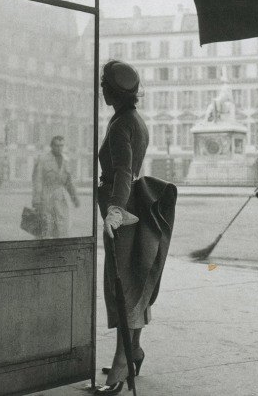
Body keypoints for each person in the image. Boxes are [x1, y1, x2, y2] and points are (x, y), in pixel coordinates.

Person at [97, 60, 177, 395]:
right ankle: (135, 352)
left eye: (104, 84)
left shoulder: (119, 126)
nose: (101, 88)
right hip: (134, 209)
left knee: (121, 289)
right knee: (136, 281)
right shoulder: (134, 120)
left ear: (111, 91)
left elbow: (121, 171)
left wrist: (115, 210)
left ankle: (121, 365)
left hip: (124, 213)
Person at [32, 135, 80, 238]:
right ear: (51, 146)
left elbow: (69, 181)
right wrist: (36, 200)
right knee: (45, 228)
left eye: (61, 145)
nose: (59, 148)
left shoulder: (66, 160)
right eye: (57, 145)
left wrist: (74, 197)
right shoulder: (43, 159)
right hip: (46, 197)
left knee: (63, 227)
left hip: (60, 197)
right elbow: (37, 180)